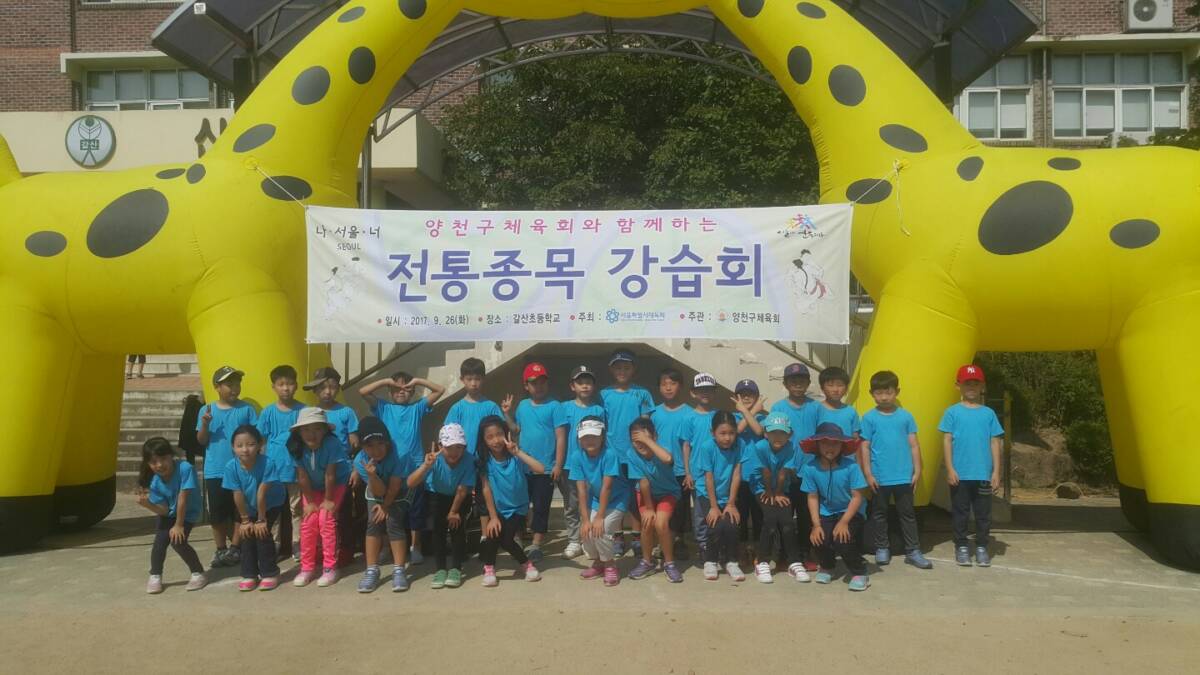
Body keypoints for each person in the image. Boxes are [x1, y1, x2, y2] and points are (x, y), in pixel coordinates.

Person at [358, 371, 445, 566]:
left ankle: (416, 546)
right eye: (396, 388)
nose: (401, 391)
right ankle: (386, 547)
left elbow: (440, 390)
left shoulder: (417, 408)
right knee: (386, 509)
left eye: (406, 388)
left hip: (415, 468)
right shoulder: (383, 407)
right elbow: (363, 392)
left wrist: (417, 380)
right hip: (389, 468)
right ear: (389, 391)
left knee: (416, 510)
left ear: (413, 391)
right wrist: (386, 380)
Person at [858, 370, 932, 569]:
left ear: (897, 392)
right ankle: (882, 547)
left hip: (903, 476)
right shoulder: (869, 418)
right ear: (871, 394)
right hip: (879, 477)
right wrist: (868, 473)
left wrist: (917, 470)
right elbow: (864, 447)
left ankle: (913, 550)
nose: (884, 397)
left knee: (907, 515)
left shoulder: (906, 417)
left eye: (888, 392)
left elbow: (914, 445)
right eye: (879, 393)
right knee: (879, 514)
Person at [938, 364, 1004, 568]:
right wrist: (950, 469)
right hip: (960, 474)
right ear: (958, 385)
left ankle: (982, 546)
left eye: (976, 383)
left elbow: (995, 442)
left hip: (983, 474)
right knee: (961, 513)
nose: (971, 387)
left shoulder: (988, 413)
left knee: (983, 514)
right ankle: (961, 546)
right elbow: (947, 441)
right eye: (967, 383)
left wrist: (996, 472)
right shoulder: (952, 412)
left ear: (982, 386)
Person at [196, 365, 257, 568]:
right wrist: (205, 424)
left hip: (242, 470)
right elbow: (202, 440)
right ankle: (220, 549)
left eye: (237, 383)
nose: (234, 388)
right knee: (217, 514)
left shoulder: (247, 409)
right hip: (215, 470)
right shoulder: (207, 410)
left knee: (241, 511)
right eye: (229, 384)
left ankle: (236, 548)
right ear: (217, 387)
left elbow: (256, 438)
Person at [800, 422, 870, 591]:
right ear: (817, 445)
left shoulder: (851, 467)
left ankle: (860, 572)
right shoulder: (810, 468)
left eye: (835, 443)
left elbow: (857, 497)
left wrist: (844, 521)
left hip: (851, 511)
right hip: (827, 511)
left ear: (842, 445)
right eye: (825, 443)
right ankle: (827, 566)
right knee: (820, 537)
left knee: (842, 539)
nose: (830, 447)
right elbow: (812, 496)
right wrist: (816, 525)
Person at [477, 416, 545, 586]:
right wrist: (493, 517)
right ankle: (489, 568)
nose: (495, 440)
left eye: (499, 434)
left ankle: (527, 565)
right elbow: (486, 489)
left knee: (506, 540)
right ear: (483, 440)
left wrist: (518, 452)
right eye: (489, 437)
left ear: (506, 434)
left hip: (518, 508)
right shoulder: (485, 461)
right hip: (499, 508)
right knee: (493, 534)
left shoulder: (516, 456)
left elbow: (540, 469)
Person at [287, 407, 351, 588]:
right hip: (312, 488)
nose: (311, 434)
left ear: (324, 430)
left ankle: (330, 567)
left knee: (326, 518)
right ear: (299, 432)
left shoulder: (332, 443)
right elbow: (302, 476)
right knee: (308, 521)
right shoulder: (294, 446)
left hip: (335, 485)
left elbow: (331, 474)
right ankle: (307, 567)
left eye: (317, 429)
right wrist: (310, 502)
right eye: (306, 429)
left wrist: (328, 500)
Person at [600, 349, 655, 558]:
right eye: (618, 368)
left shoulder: (642, 393)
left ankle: (637, 537)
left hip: (636, 455)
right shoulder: (603, 394)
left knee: (636, 498)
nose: (622, 371)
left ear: (633, 369)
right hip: (612, 454)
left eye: (626, 367)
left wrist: (644, 447)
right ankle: (617, 537)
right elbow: (601, 425)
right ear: (611, 370)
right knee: (614, 497)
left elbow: (646, 424)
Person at [223, 425, 291, 591]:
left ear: (260, 444)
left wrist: (261, 520)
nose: (245, 449)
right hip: (248, 505)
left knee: (262, 534)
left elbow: (261, 493)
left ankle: (270, 573)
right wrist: (245, 520)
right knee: (246, 534)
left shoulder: (267, 463)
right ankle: (249, 574)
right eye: (239, 445)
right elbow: (237, 493)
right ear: (233, 447)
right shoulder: (231, 467)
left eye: (251, 444)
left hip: (271, 502)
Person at [304, 367, 360, 568]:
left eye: (333, 387)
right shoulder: (310, 414)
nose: (328, 392)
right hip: (316, 475)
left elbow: (355, 445)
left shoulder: (346, 412)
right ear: (314, 390)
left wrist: (355, 469)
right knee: (318, 516)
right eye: (322, 388)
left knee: (342, 514)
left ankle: (346, 550)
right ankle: (321, 550)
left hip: (342, 473)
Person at [407, 424, 475, 589]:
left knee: (457, 530)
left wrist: (454, 511)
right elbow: (410, 483)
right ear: (440, 446)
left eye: (459, 447)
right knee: (438, 531)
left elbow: (462, 489)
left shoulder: (469, 459)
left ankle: (456, 568)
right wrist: (426, 466)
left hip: (459, 496)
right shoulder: (433, 459)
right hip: (436, 495)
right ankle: (440, 569)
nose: (454, 452)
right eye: (449, 447)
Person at [501, 362, 557, 562]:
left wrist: (558, 464)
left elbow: (561, 436)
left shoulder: (555, 406)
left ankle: (536, 544)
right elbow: (516, 430)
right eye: (534, 383)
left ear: (547, 383)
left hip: (546, 468)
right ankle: (517, 538)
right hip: (523, 466)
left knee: (541, 507)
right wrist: (507, 414)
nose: (538, 386)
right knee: (520, 505)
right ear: (526, 386)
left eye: (542, 382)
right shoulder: (523, 406)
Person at [743, 414, 808, 583]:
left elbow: (783, 472)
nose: (777, 436)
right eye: (773, 432)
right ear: (765, 433)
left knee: (787, 521)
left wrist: (778, 493)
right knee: (771, 519)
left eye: (782, 433)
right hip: (761, 488)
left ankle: (794, 562)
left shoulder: (791, 447)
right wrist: (770, 493)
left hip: (780, 488)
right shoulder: (760, 447)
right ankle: (762, 562)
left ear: (789, 434)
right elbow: (764, 471)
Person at [136, 437, 206, 594]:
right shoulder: (155, 482)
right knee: (160, 542)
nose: (159, 465)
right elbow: (164, 511)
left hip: (188, 513)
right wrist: (148, 505)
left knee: (178, 541)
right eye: (153, 461)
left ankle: (198, 573)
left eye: (163, 459)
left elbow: (183, 498)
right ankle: (155, 575)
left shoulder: (185, 468)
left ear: (171, 456)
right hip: (170, 514)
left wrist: (179, 525)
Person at [443, 357, 502, 539]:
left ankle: (486, 536)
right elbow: (447, 435)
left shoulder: (491, 406)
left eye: (477, 379)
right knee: (462, 499)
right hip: (463, 461)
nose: (474, 383)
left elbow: (501, 431)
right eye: (469, 379)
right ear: (462, 380)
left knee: (486, 498)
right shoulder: (457, 408)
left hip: (486, 460)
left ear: (483, 379)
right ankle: (459, 538)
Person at [353, 417, 412, 593]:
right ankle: (372, 570)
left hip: (399, 488)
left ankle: (399, 569)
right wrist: (372, 476)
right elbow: (379, 491)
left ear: (387, 441)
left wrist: (385, 507)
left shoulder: (401, 452)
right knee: (373, 522)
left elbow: (394, 487)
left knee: (393, 521)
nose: (376, 450)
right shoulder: (360, 461)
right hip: (377, 487)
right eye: (369, 445)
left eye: (380, 443)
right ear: (362, 447)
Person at [770, 362, 820, 570]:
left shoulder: (816, 407)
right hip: (785, 472)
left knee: (806, 516)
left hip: (809, 471)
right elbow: (773, 439)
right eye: (793, 380)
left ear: (808, 383)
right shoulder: (778, 408)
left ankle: (805, 553)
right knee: (784, 518)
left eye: (802, 380)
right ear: (785, 383)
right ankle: (782, 554)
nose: (797, 384)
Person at [553, 365, 606, 559]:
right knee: (572, 505)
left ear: (594, 386)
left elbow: (603, 437)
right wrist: (558, 464)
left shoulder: (599, 410)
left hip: (592, 465)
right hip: (569, 465)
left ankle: (589, 539)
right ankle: (574, 540)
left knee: (590, 502)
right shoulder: (564, 407)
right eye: (580, 382)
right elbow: (559, 436)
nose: (584, 386)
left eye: (588, 382)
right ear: (572, 386)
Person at [569, 416, 628, 587]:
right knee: (587, 531)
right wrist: (585, 520)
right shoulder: (576, 457)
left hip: (617, 499)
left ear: (602, 436)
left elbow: (607, 487)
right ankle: (598, 562)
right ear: (579, 439)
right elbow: (581, 490)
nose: (590, 440)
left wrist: (600, 516)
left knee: (602, 530)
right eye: (585, 436)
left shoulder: (610, 455)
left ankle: (609, 564)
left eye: (594, 436)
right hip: (595, 498)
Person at [624, 418, 684, 582]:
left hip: (667, 493)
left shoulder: (661, 449)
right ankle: (647, 562)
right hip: (646, 493)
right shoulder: (631, 454)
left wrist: (648, 441)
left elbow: (667, 459)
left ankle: (669, 563)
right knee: (647, 522)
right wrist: (649, 508)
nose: (640, 443)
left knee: (661, 523)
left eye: (645, 438)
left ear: (655, 437)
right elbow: (643, 482)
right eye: (636, 440)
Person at [255, 364, 305, 559]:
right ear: (273, 387)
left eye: (290, 384)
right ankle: (273, 544)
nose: (286, 388)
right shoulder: (268, 412)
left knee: (297, 509)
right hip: (273, 469)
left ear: (296, 385)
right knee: (273, 509)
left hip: (297, 467)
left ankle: (298, 544)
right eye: (281, 384)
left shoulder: (304, 410)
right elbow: (260, 441)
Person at [693, 411, 746, 582]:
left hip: (727, 494)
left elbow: (736, 474)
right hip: (708, 493)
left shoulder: (740, 445)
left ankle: (731, 562)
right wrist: (714, 507)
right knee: (715, 524)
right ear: (713, 433)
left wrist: (731, 503)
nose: (727, 438)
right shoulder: (707, 447)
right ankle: (710, 561)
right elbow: (708, 478)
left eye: (731, 433)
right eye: (722, 433)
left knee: (731, 525)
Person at [648, 368, 694, 560]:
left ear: (680, 386)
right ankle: (662, 541)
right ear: (659, 388)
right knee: (662, 508)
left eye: (672, 383)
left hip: (681, 469)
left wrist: (689, 470)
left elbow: (690, 444)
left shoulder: (689, 413)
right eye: (664, 384)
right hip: (660, 470)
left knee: (681, 508)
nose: (668, 388)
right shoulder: (654, 413)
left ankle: (680, 541)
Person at [683, 372, 719, 560]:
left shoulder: (718, 416)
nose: (705, 393)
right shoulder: (689, 417)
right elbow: (686, 445)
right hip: (697, 473)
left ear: (714, 393)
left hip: (716, 472)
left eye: (709, 390)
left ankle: (716, 543)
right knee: (699, 512)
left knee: (716, 507)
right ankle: (703, 544)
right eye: (701, 390)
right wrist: (688, 472)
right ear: (693, 393)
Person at [732, 378, 766, 568]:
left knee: (759, 516)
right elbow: (735, 431)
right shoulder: (732, 417)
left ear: (757, 396)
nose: (746, 397)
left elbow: (759, 431)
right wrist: (749, 411)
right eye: (742, 394)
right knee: (741, 517)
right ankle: (742, 549)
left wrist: (751, 413)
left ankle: (759, 550)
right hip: (739, 476)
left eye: (750, 394)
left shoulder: (763, 418)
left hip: (759, 476)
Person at [816, 366, 860, 438]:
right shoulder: (815, 410)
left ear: (846, 388)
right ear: (822, 388)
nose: (835, 390)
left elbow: (855, 437)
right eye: (830, 385)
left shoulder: (851, 411)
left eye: (840, 385)